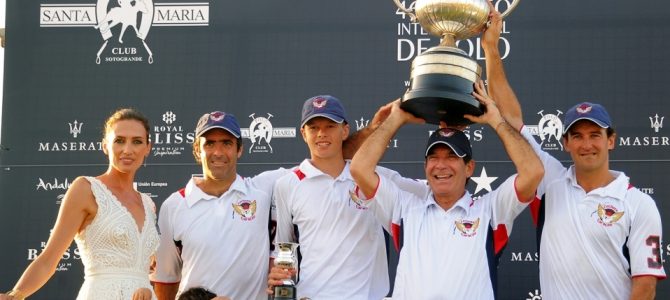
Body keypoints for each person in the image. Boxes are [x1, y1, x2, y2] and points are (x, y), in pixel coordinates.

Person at [481, 8, 666, 299]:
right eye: (577, 136)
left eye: (595, 135)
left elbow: (645, 287)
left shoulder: (638, 204)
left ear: (611, 140)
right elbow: (512, 121)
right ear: (565, 143)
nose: (586, 144)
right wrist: (491, 48)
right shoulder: (550, 180)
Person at [152, 107, 392, 300]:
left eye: (226, 143)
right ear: (197, 149)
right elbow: (165, 279)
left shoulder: (264, 187)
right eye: (209, 143)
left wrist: (371, 130)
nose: (218, 152)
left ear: (239, 150)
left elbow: (326, 156)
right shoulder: (175, 205)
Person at [348, 78, 543, 298]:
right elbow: (359, 168)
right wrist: (396, 119)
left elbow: (533, 172)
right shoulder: (404, 208)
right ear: (425, 166)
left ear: (469, 167)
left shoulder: (491, 211)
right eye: (434, 157)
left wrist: (496, 121)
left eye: (452, 156)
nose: (441, 165)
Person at [268, 95, 429, 299]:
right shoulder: (287, 184)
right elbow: (284, 247)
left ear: (345, 131)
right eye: (314, 127)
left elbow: (432, 194)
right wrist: (280, 274)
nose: (321, 134)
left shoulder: (374, 177)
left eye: (330, 126)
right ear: (303, 133)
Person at [1, 108, 158, 300]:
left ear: (148, 148)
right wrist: (16, 295)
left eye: (137, 141)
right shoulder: (86, 189)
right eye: (119, 140)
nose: (128, 150)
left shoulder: (149, 204)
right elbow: (49, 260)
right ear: (105, 146)